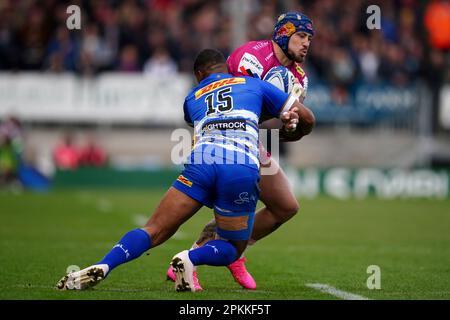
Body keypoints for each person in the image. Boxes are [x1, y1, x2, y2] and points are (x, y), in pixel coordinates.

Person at [56, 49, 314, 292]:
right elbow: (305, 117)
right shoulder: (254, 84)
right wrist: (289, 128)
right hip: (239, 165)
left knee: (154, 230)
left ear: (199, 75)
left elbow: (205, 120)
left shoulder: (191, 98)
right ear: (226, 69)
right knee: (230, 249)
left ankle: (106, 264)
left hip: (201, 163)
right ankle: (190, 256)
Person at [165, 11, 315, 290]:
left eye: (310, 38)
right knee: (235, 204)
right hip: (222, 139)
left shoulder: (300, 78)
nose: (307, 43)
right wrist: (293, 118)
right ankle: (197, 259)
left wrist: (291, 126)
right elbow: (238, 105)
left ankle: (236, 250)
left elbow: (283, 124)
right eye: (301, 36)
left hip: (253, 140)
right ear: (284, 34)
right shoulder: (252, 57)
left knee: (285, 206)